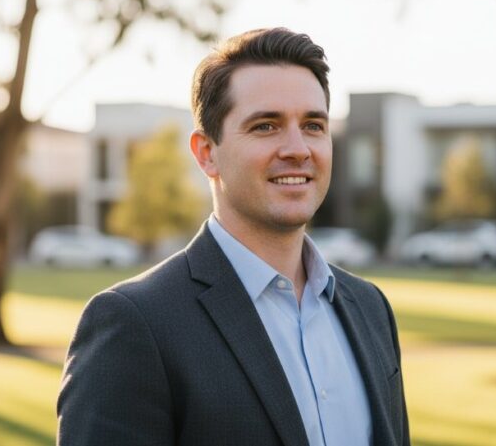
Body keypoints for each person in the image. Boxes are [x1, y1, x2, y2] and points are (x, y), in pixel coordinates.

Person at [57, 27, 409, 446]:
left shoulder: (369, 308)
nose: (298, 148)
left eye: (313, 125)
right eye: (266, 126)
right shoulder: (134, 324)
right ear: (207, 153)